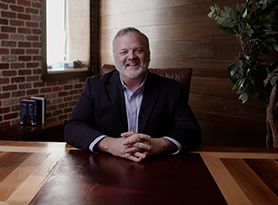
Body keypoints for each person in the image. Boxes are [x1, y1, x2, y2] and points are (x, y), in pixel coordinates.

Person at [64, 27, 201, 162]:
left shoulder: (171, 89)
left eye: (138, 50)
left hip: (157, 166)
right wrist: (109, 144)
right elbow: (72, 128)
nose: (131, 57)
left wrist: (160, 145)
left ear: (148, 54)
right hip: (107, 167)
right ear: (115, 57)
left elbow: (192, 131)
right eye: (123, 52)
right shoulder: (95, 87)